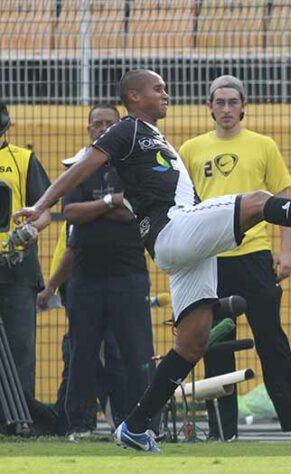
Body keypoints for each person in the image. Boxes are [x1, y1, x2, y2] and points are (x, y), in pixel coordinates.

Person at [13, 69, 291, 452]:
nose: (166, 94)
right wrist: (41, 205)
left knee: (193, 342)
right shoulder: (127, 129)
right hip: (174, 229)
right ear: (135, 97)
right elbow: (85, 165)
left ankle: (135, 426)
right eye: (158, 89)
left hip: (184, 243)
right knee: (256, 201)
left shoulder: (156, 137)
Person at [179, 75, 291, 442]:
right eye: (219, 102)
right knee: (216, 342)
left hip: (255, 254)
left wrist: (284, 252)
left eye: (232, 102)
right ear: (209, 107)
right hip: (211, 259)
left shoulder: (263, 146)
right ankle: (223, 430)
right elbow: (184, 206)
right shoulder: (191, 149)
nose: (226, 109)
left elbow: (282, 201)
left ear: (243, 106)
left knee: (272, 340)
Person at [38, 104, 138, 439]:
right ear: (88, 129)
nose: (103, 129)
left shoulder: (131, 170)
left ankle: (127, 423)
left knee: (119, 352)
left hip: (123, 275)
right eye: (97, 124)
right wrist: (110, 203)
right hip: (83, 279)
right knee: (80, 353)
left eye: (110, 124)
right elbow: (71, 217)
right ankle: (76, 424)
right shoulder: (79, 172)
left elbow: (130, 212)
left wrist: (95, 210)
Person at [0, 101, 52, 403]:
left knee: (21, 346)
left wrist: (31, 229)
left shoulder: (23, 159)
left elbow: (42, 210)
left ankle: (20, 415)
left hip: (17, 267)